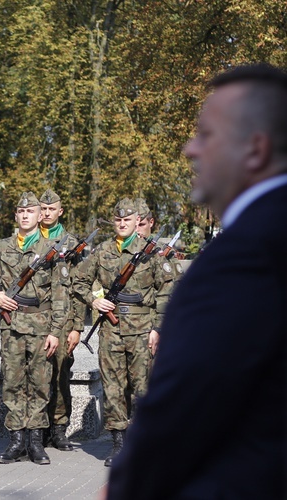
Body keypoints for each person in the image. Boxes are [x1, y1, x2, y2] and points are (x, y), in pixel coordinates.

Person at [107, 64, 287, 499]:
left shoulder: (241, 258)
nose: (191, 149)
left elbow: (180, 414)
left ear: (255, 149)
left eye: (206, 135)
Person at [73, 199, 173, 467]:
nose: (122, 223)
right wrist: (95, 300)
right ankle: (118, 444)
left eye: (127, 220)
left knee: (143, 387)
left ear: (137, 221)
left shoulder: (152, 253)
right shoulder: (102, 251)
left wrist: (158, 329)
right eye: (118, 220)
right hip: (111, 329)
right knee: (113, 387)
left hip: (142, 329)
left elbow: (166, 292)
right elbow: (78, 281)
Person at [0, 191, 68, 465]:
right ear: (16, 216)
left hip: (41, 325)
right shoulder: (2, 248)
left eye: (31, 212)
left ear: (40, 216)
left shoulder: (51, 250)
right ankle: (16, 441)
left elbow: (61, 293)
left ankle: (36, 442)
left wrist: (55, 331)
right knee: (13, 382)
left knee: (39, 383)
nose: (25, 216)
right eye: (21, 212)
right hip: (11, 325)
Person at [37, 189, 81, 452]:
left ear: (60, 211)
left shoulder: (71, 243)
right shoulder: (29, 238)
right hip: (36, 316)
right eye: (42, 209)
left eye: (51, 209)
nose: (46, 213)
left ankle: (59, 427)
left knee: (60, 373)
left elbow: (78, 285)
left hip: (63, 317)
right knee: (37, 373)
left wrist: (76, 325)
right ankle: (38, 427)